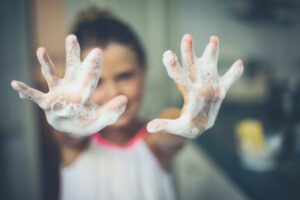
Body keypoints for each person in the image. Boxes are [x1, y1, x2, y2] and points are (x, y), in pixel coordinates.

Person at [11, 9, 244, 200]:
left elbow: (173, 127)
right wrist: (67, 120)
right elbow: (67, 136)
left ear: (143, 72)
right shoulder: (76, 145)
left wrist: (190, 116)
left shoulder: (154, 141)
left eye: (125, 75)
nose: (114, 93)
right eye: (97, 82)